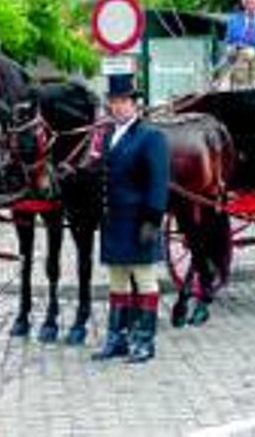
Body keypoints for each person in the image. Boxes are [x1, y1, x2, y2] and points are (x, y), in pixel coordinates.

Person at [92, 74, 169, 364]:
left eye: (123, 101)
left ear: (135, 104)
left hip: (139, 222)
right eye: (113, 102)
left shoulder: (151, 136)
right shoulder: (110, 136)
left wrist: (152, 219)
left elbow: (158, 182)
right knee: (117, 282)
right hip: (114, 221)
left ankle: (144, 341)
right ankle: (117, 339)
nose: (118, 107)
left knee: (145, 281)